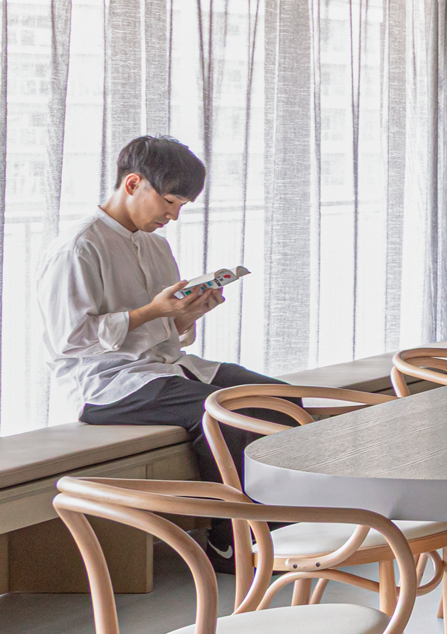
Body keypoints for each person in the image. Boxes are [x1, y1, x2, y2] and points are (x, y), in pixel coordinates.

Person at [40, 136, 278, 505]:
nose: (174, 216)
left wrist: (187, 314)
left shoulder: (156, 245)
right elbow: (70, 339)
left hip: (165, 368)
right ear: (133, 183)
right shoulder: (78, 247)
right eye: (169, 201)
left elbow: (164, 334)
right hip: (106, 384)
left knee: (281, 400)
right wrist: (154, 311)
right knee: (229, 415)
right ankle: (233, 532)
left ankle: (286, 522)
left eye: (181, 205)